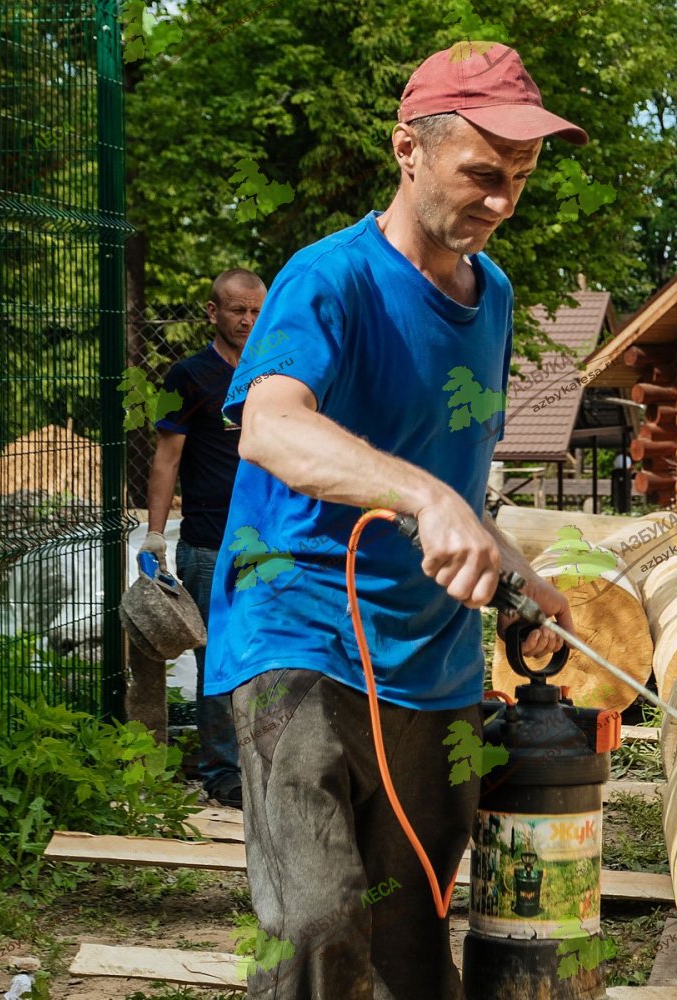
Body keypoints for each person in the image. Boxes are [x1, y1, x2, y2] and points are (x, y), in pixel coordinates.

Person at [203, 42, 589, 1000]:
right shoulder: (326, 280)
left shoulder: (490, 296)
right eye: (483, 175)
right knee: (318, 920)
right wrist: (423, 500)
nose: (503, 201)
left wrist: (514, 574)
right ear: (407, 150)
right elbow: (271, 425)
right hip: (297, 635)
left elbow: (452, 476)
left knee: (409, 940)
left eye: (522, 180)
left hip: (433, 664)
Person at [141, 267, 267, 809]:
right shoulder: (187, 377)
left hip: (272, 545)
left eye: (257, 311)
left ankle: (267, 762)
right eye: (237, 310)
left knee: (271, 658)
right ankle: (222, 772)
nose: (248, 320)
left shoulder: (276, 376)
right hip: (210, 544)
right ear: (213, 313)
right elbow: (166, 459)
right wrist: (152, 535)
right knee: (219, 660)